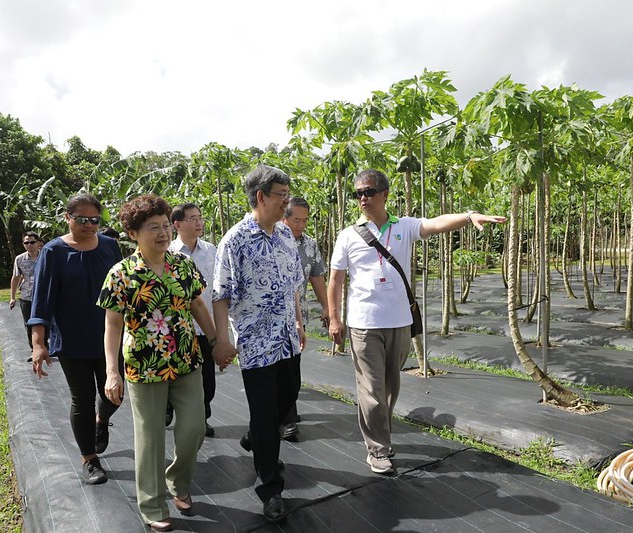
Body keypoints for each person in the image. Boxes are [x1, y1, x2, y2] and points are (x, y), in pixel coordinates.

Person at [327, 169, 507, 475]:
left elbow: (436, 223)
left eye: (368, 192)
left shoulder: (404, 226)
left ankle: (382, 434)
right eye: (358, 194)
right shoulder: (348, 235)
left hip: (399, 322)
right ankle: (377, 449)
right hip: (363, 323)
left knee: (390, 387)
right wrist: (334, 318)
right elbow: (335, 280)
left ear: (384, 194)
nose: (362, 199)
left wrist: (468, 216)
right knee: (370, 389)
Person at [99, 195, 219, 532]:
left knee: (194, 428)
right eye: (153, 227)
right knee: (150, 439)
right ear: (133, 234)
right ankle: (152, 505)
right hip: (145, 366)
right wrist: (112, 372)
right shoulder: (121, 274)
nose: (163, 233)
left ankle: (177, 480)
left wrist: (215, 342)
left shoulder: (182, 265)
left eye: (166, 226)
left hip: (186, 359)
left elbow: (197, 305)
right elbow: (112, 325)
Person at [213, 164, 305, 524]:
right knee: (266, 415)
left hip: (287, 340)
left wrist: (298, 323)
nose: (286, 202)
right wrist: (223, 340)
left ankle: (256, 436)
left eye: (287, 195)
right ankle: (270, 489)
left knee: (290, 395)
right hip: (256, 344)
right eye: (281, 195)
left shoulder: (285, 235)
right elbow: (221, 294)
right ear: (261, 197)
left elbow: (293, 285)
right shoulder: (235, 240)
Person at [28, 193, 123, 485]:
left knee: (114, 394)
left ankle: (101, 421)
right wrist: (38, 343)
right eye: (83, 220)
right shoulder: (54, 252)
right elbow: (41, 300)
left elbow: (125, 288)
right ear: (67, 218)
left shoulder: (109, 246)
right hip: (72, 339)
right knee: (82, 399)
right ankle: (89, 460)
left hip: (111, 337)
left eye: (95, 220)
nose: (90, 225)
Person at [166, 202, 218, 437]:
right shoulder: (168, 252)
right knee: (176, 374)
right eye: (192, 219)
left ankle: (202, 417)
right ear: (177, 224)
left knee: (207, 378)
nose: (198, 222)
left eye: (200, 217)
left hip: (205, 325)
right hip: (177, 327)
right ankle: (169, 408)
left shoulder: (211, 250)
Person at [280, 197, 329, 439]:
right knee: (279, 369)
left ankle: (287, 409)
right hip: (273, 316)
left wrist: (327, 307)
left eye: (305, 220)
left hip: (298, 316)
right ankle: (287, 418)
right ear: (284, 218)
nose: (301, 225)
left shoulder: (309, 245)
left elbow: (317, 277)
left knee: (292, 369)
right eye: (296, 220)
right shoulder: (273, 240)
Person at [9, 231, 42, 352]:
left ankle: (44, 346)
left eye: (32, 242)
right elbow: (16, 277)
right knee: (29, 323)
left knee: (44, 322)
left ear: (38, 243)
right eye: (26, 243)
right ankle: (34, 349)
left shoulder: (46, 256)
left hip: (43, 295)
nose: (29, 245)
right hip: (26, 296)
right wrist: (12, 297)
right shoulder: (20, 259)